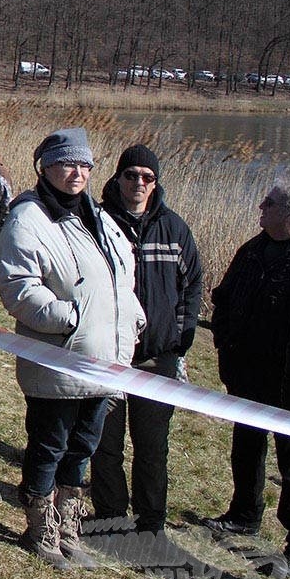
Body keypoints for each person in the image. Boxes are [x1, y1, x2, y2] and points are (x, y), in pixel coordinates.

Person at [0, 128, 143, 569]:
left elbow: (121, 278)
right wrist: (68, 319)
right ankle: (40, 528)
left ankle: (67, 522)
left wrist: (132, 317)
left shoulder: (99, 217)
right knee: (49, 445)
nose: (76, 173)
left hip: (106, 359)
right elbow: (17, 285)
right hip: (60, 357)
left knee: (83, 447)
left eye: (84, 165)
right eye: (66, 164)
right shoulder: (28, 217)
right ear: (46, 167)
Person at [90, 144, 202, 534]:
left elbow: (192, 287)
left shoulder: (174, 229)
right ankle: (109, 514)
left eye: (147, 177)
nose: (138, 183)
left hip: (158, 358)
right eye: (131, 175)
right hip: (109, 353)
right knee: (105, 443)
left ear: (156, 184)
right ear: (117, 178)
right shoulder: (98, 222)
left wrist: (180, 338)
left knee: (152, 447)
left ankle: (150, 520)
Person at [202, 181, 290, 568]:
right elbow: (222, 297)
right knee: (246, 447)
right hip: (247, 375)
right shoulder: (252, 250)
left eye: (269, 203)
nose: (260, 206)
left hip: (289, 383)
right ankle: (243, 516)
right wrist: (223, 338)